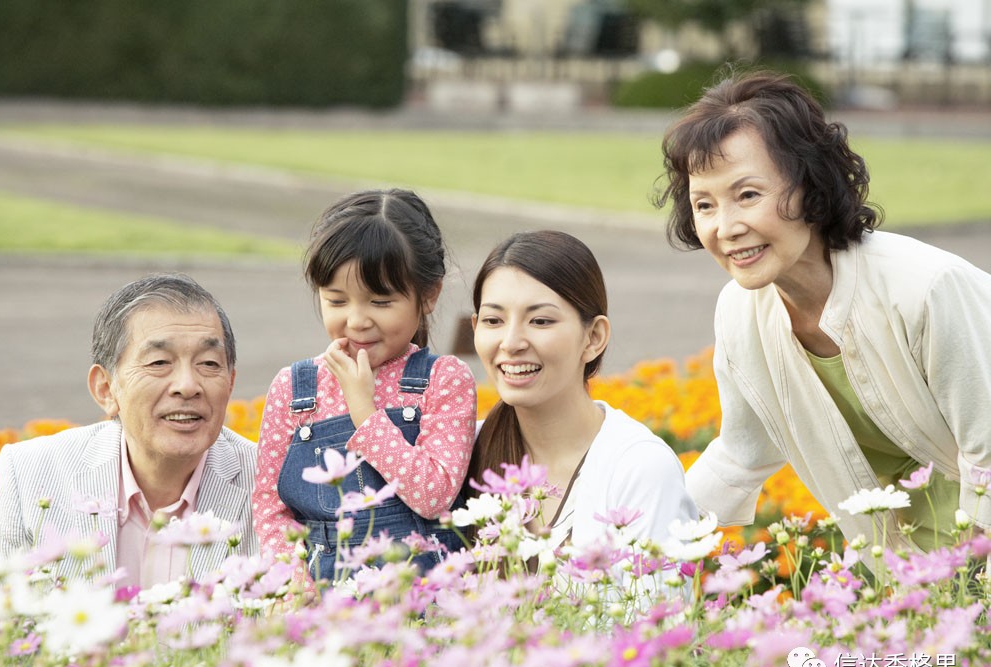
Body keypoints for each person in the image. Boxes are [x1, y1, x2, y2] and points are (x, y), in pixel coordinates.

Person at [657, 69, 991, 553]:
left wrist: (970, 580)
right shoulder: (739, 312)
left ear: (810, 186)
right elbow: (741, 454)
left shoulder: (925, 288)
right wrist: (637, 548)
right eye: (704, 204)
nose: (725, 227)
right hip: (911, 570)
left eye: (748, 195)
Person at [253, 188, 476, 583]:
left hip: (425, 601)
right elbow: (270, 507)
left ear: (428, 295)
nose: (356, 320)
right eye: (337, 301)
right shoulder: (293, 388)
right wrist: (289, 577)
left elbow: (434, 496)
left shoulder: (444, 380)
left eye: (380, 302)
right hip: (325, 600)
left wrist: (365, 414)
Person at [0, 273, 258, 585]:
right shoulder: (30, 474)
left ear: (230, 383)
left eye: (209, 364)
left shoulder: (272, 483)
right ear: (106, 389)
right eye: (159, 362)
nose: (188, 386)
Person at [469, 229, 697, 558]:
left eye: (541, 321)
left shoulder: (640, 469)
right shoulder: (460, 456)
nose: (511, 342)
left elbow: (654, 607)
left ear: (594, 337)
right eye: (493, 320)